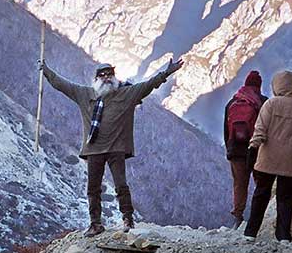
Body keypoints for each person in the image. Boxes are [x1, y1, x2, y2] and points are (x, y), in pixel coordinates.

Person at [40, 58, 184, 236]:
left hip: (116, 148)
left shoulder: (126, 94)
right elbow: (62, 84)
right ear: (96, 79)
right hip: (94, 150)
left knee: (121, 185)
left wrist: (167, 73)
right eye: (102, 75)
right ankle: (95, 223)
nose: (107, 77)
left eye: (110, 74)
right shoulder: (85, 95)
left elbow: (149, 85)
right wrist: (46, 71)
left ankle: (128, 219)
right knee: (93, 188)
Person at [244, 71, 292, 241]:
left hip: (268, 159)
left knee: (261, 195)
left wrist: (253, 149)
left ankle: (251, 232)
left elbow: (260, 130)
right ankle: (283, 236)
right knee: (286, 199)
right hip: (290, 160)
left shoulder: (271, 104)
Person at [223, 71, 268, 229]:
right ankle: (260, 219)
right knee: (260, 183)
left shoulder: (232, 102)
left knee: (239, 184)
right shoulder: (263, 102)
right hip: (256, 150)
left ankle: (238, 218)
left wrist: (230, 150)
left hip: (236, 151)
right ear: (259, 86)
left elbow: (226, 131)